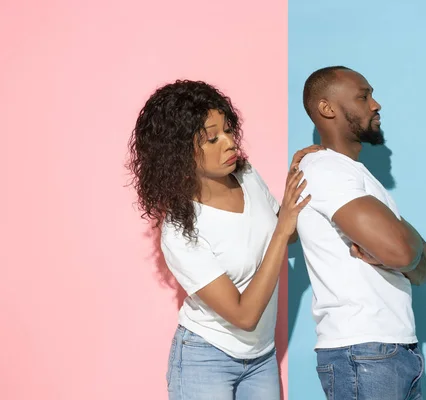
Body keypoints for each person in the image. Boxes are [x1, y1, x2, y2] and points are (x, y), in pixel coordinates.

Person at [127, 79, 322, 400]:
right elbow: (244, 316)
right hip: (206, 359)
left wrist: (300, 179)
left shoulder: (246, 174)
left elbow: (283, 233)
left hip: (261, 357)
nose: (229, 143)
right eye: (212, 139)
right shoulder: (179, 229)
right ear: (179, 153)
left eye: (228, 131)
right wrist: (283, 227)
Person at [296, 66, 426, 400]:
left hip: (393, 348)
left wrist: (403, 246)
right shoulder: (325, 169)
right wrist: (404, 249)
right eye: (363, 96)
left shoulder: (356, 176)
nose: (376, 105)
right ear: (327, 108)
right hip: (363, 351)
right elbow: (407, 255)